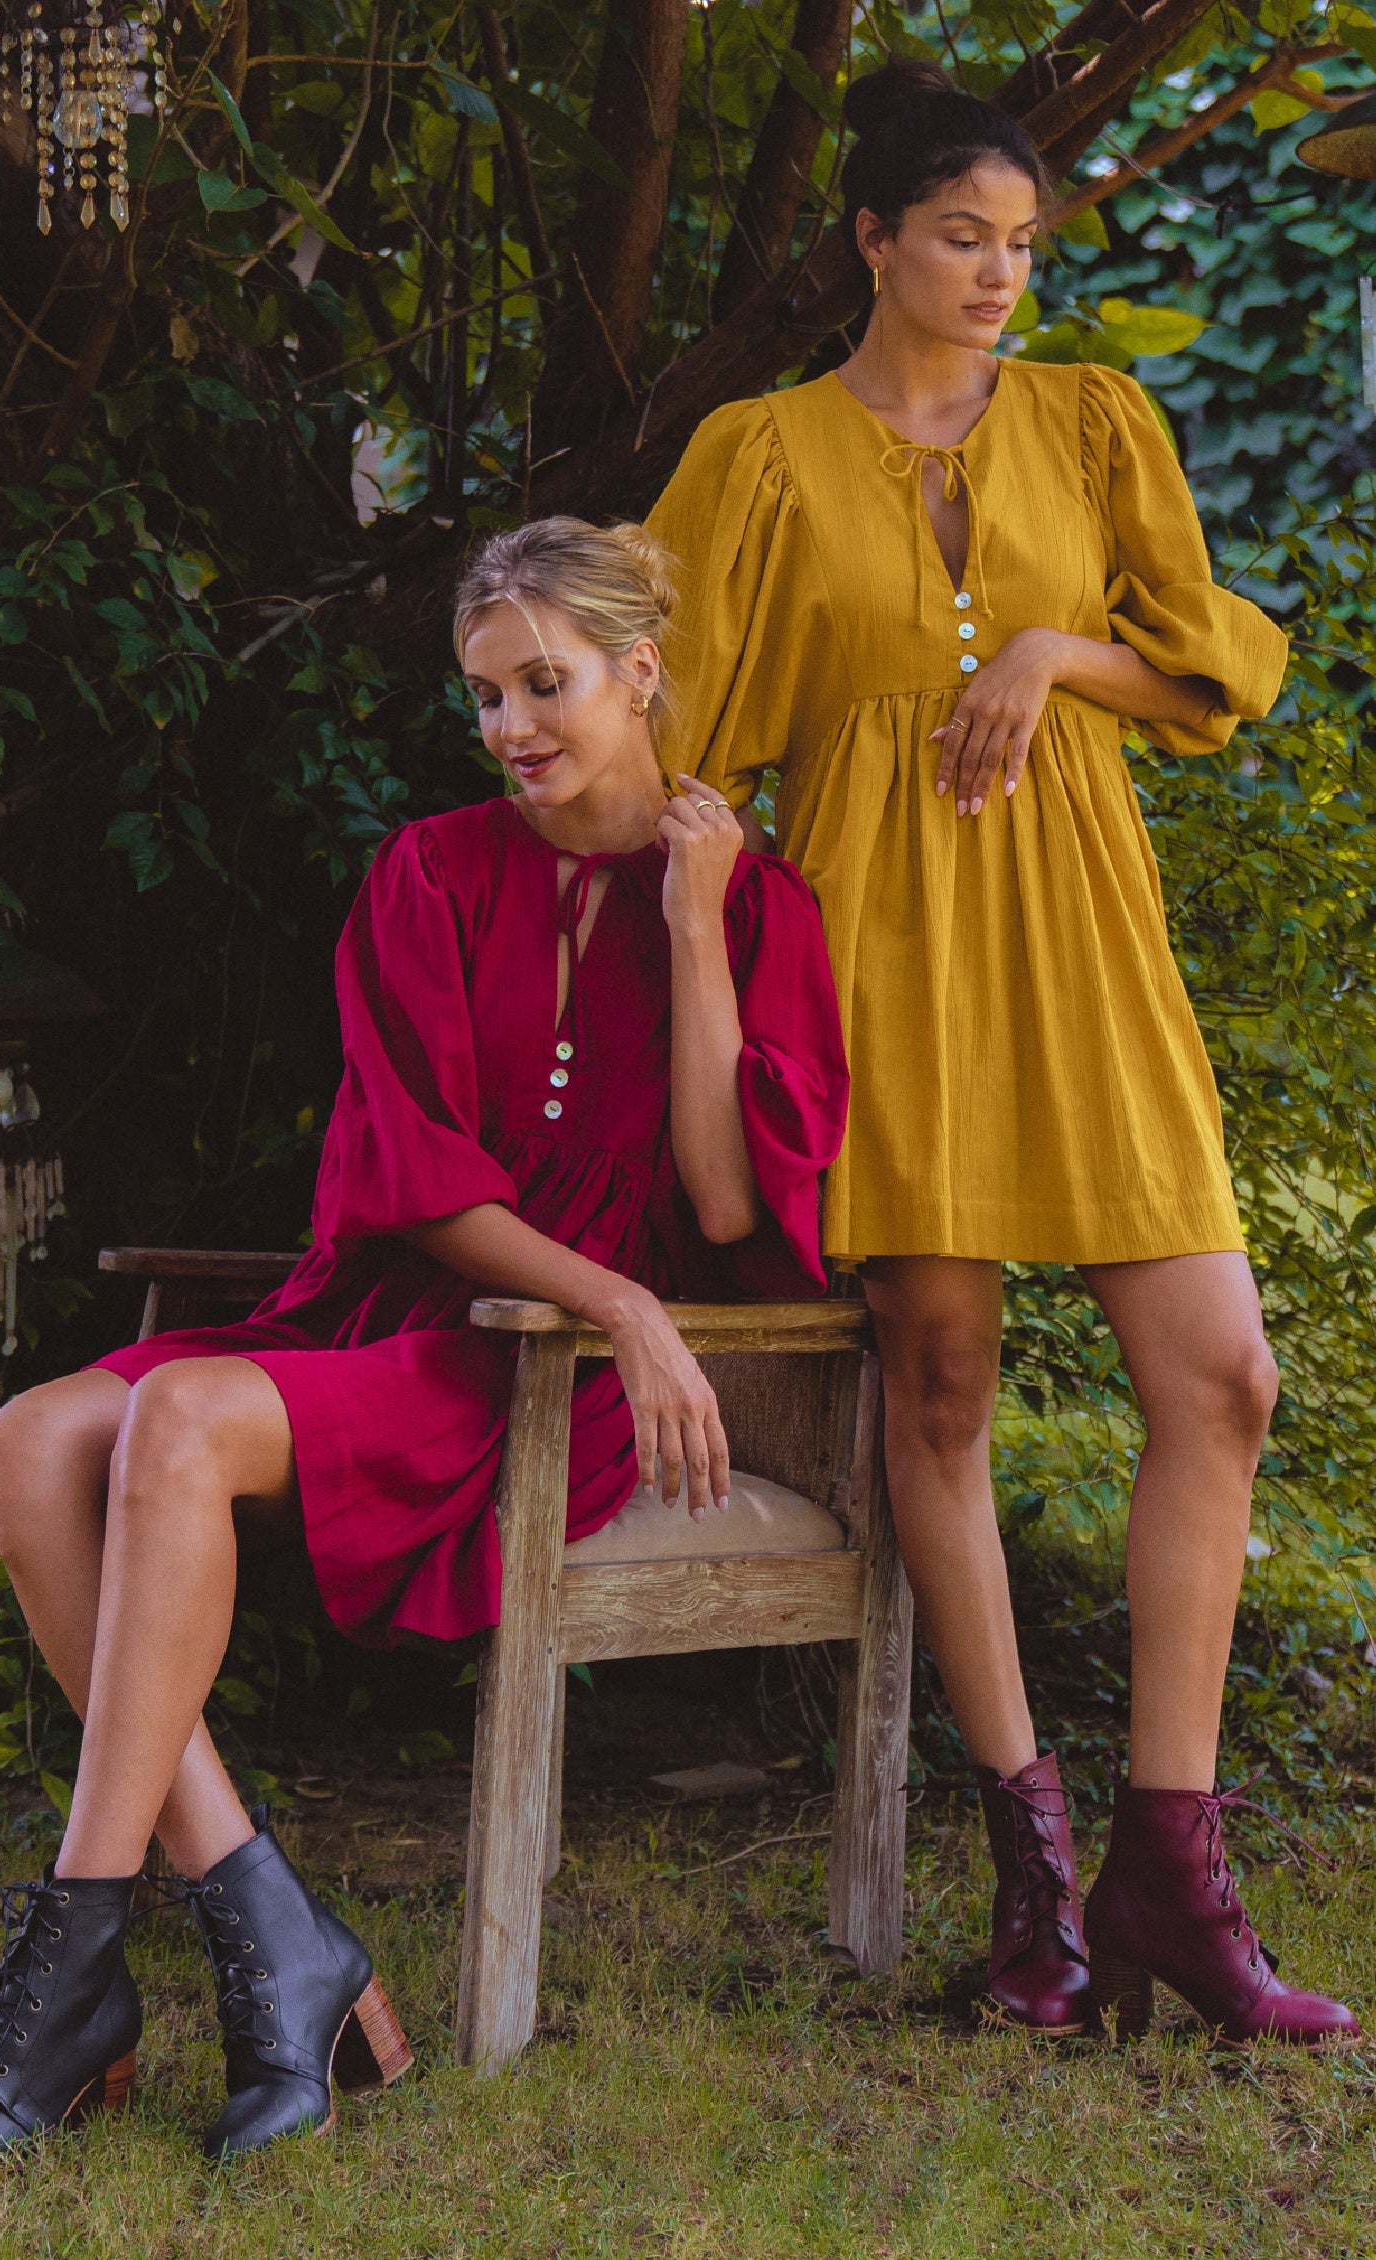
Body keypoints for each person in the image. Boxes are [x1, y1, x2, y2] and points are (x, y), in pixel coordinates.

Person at [0, 520, 849, 2169]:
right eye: (485, 696)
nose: (511, 727)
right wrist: (624, 1299)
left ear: (640, 672)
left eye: (544, 684)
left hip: (542, 1376)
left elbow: (720, 1196)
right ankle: (267, 1942)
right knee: (25, 1444)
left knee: (180, 1419)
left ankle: (66, 1988)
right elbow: (420, 1181)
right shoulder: (431, 872)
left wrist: (697, 929)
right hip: (399, 1311)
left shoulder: (759, 910)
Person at [647, 59, 1358, 2049]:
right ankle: (1037, 1878)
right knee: (940, 1381)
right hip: (872, 937)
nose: (998, 274)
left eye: (1023, 244)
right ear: (871, 239)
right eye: (962, 236)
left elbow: (1207, 661)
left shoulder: (1092, 419)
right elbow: (666, 711)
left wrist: (1054, 651)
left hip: (1081, 928)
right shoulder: (760, 454)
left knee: (1220, 1373)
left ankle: (1173, 1869)